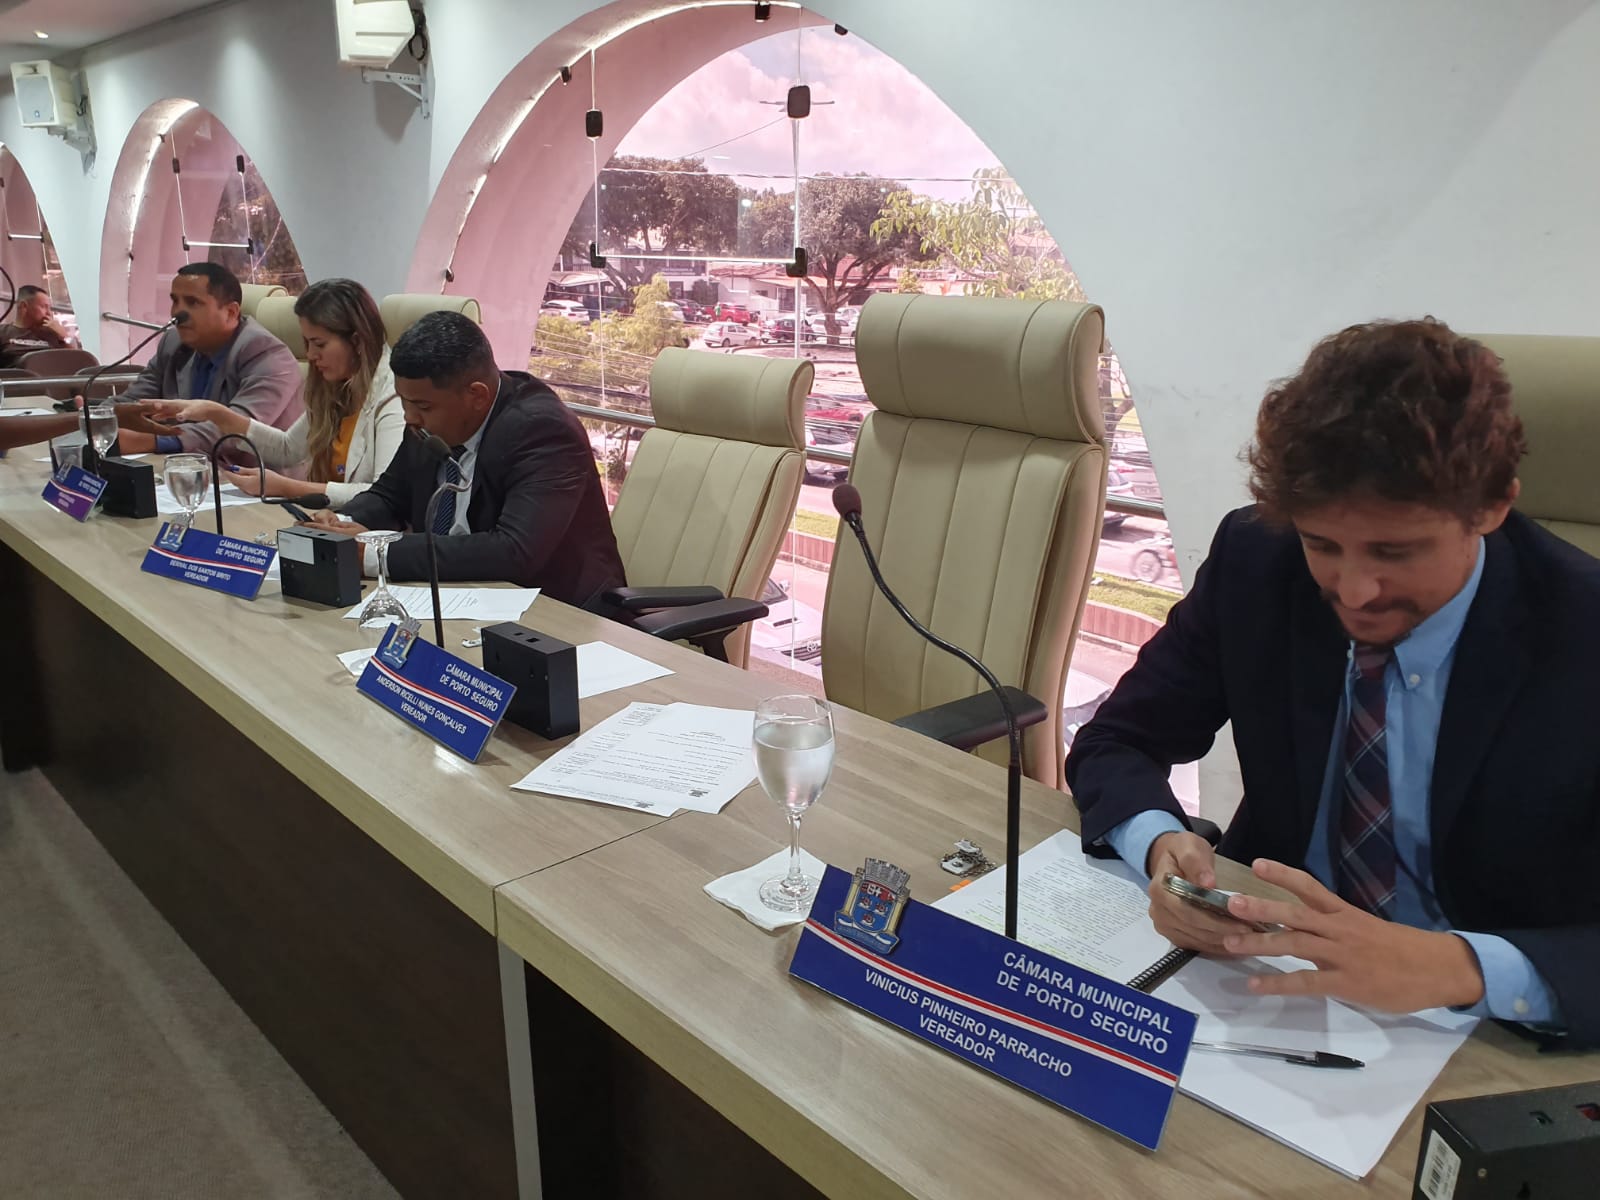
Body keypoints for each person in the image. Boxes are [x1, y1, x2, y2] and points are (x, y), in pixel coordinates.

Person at [1067, 317, 1600, 1047]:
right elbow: (1117, 740)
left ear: (1492, 506)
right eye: (1323, 544)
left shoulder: (1581, 629)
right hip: (1266, 977)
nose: (1353, 591)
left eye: (1395, 551)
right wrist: (1161, 848)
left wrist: (1463, 967)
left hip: (1494, 1032)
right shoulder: (1260, 562)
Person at [304, 311, 626, 607]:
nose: (409, 417)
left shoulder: (542, 431)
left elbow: (514, 551)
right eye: (404, 401)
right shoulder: (426, 420)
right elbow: (389, 495)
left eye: (422, 406)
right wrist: (340, 524)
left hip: (555, 611)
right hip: (457, 595)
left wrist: (374, 554)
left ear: (477, 395)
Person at [137, 279, 402, 506]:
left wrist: (286, 487)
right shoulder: (336, 387)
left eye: (319, 344)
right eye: (307, 343)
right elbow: (288, 448)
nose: (311, 355)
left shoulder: (394, 396)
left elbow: (383, 495)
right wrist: (216, 414)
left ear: (356, 341)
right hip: (325, 521)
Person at [109, 263, 302, 456]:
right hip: (181, 465)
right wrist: (101, 418)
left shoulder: (268, 355)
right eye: (175, 301)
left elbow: (237, 428)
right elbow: (134, 402)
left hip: (246, 470)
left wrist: (151, 441)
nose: (177, 312)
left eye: (192, 302)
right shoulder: (173, 342)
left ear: (231, 312)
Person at [0, 285, 74, 368]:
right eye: (43, 307)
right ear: (24, 306)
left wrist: (64, 337)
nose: (49, 313)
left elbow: (76, 362)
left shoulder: (52, 334)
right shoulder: (3, 332)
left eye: (49, 308)